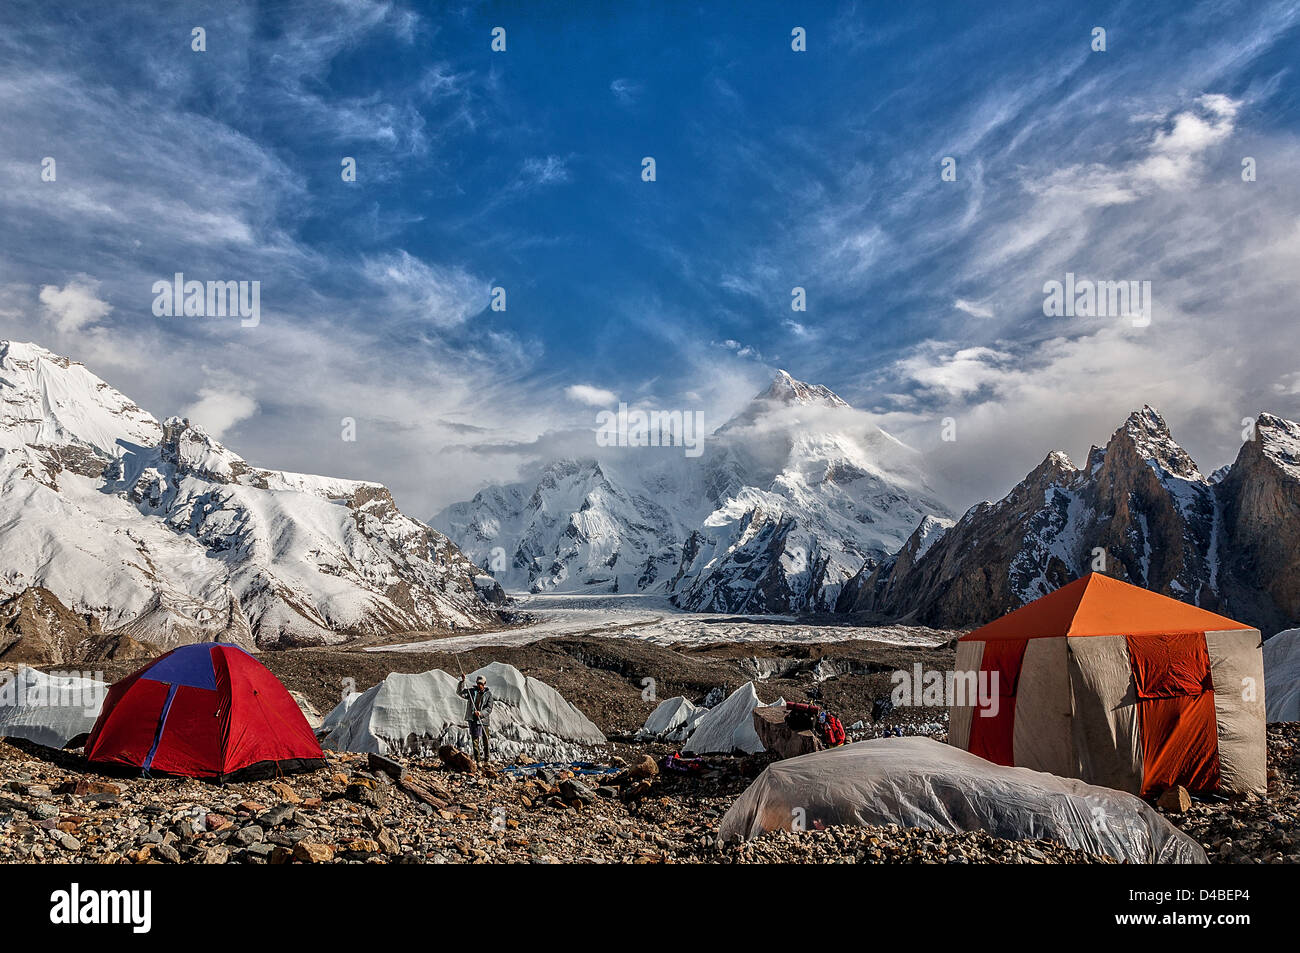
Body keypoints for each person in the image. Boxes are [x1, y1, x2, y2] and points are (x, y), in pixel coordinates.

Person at [458, 674, 494, 763]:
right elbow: (460, 692)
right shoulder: (471, 692)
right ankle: (478, 761)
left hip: (483, 721)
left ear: (484, 683)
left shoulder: (488, 694)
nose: (479, 685)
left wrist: (481, 713)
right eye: (478, 683)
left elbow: (489, 708)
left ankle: (486, 759)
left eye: (481, 683)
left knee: (486, 740)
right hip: (473, 720)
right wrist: (462, 681)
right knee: (475, 741)